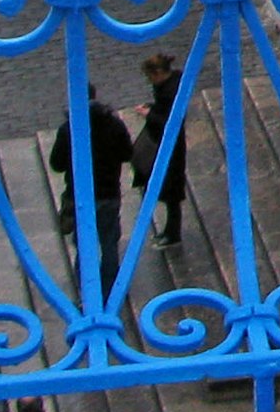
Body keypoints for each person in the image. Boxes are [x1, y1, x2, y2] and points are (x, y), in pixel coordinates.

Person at [47, 92, 138, 284]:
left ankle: (85, 285)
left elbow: (56, 164)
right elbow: (127, 153)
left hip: (79, 195)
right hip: (108, 193)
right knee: (109, 240)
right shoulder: (114, 125)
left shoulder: (68, 130)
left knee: (83, 243)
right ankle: (111, 283)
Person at [135, 50, 191, 248]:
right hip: (169, 143)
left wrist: (148, 113)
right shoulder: (171, 86)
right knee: (170, 191)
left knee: (172, 192)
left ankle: (172, 233)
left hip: (171, 146)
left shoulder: (170, 91)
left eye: (150, 77)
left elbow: (169, 121)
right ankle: (169, 231)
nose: (150, 81)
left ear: (158, 73)